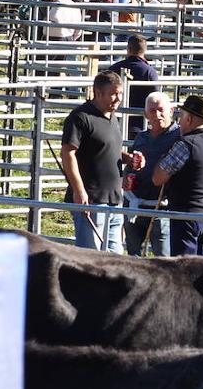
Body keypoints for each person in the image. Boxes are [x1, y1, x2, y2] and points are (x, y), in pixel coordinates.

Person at [61, 71, 146, 253]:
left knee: (114, 258)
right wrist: (79, 190)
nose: (118, 99)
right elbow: (68, 154)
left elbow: (106, 148)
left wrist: (127, 158)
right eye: (113, 94)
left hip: (114, 199)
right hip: (91, 200)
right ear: (97, 93)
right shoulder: (80, 118)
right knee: (90, 256)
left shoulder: (112, 116)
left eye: (120, 94)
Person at [150, 94, 203, 256]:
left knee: (184, 270)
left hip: (185, 216)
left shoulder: (185, 144)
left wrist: (163, 158)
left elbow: (158, 178)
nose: (180, 121)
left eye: (181, 117)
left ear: (189, 118)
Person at [122, 92, 181, 258]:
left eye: (161, 109)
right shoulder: (141, 137)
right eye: (152, 110)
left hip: (162, 205)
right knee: (133, 255)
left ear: (171, 110)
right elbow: (131, 164)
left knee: (164, 258)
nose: (157, 115)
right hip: (136, 203)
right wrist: (127, 176)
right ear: (145, 114)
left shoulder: (179, 136)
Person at [106, 35, 161, 134]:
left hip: (114, 122)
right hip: (140, 124)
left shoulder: (114, 68)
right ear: (144, 50)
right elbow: (156, 98)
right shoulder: (149, 72)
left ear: (129, 49)